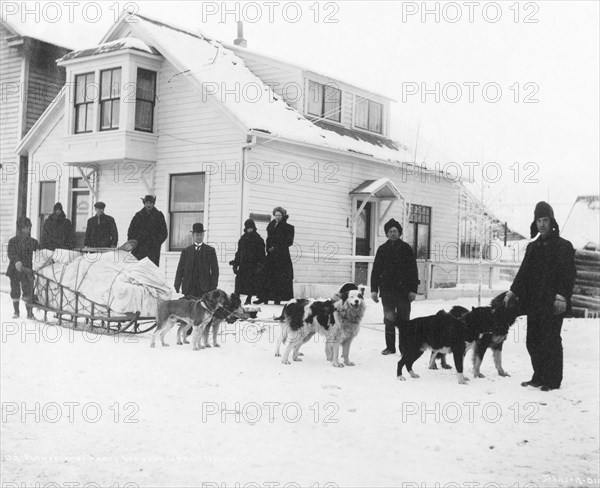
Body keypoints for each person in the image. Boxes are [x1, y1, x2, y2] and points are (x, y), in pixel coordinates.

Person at [504, 201, 576, 392]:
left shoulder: (563, 246)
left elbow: (568, 274)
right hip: (534, 303)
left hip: (553, 303)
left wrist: (562, 297)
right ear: (535, 223)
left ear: (552, 221)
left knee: (550, 340)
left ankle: (552, 380)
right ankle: (538, 376)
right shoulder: (533, 247)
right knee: (533, 341)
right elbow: (523, 272)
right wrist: (513, 291)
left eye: (545, 220)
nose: (542, 224)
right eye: (539, 220)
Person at [370, 218, 419, 355]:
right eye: (390, 231)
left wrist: (413, 290)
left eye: (395, 231)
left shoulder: (406, 249)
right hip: (387, 293)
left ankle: (405, 348)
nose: (393, 233)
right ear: (386, 234)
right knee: (389, 320)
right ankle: (390, 347)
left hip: (403, 293)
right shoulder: (382, 250)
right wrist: (374, 290)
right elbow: (376, 271)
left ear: (399, 233)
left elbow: (413, 271)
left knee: (404, 321)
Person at [255, 206, 295, 305]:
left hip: (282, 256)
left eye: (279, 215)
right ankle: (264, 298)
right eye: (276, 215)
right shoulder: (271, 226)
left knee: (279, 277)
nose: (277, 217)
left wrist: (276, 248)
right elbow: (268, 239)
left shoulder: (288, 227)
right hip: (271, 255)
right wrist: (268, 248)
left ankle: (278, 298)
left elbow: (289, 242)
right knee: (266, 276)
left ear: (283, 216)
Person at [174, 223, 219, 298]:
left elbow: (215, 270)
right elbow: (180, 269)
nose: (199, 237)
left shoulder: (210, 251)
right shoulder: (186, 251)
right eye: (197, 235)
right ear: (193, 235)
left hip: (204, 289)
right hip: (189, 288)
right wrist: (177, 284)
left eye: (201, 235)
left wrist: (213, 287)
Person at [6, 217, 39, 319]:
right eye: (24, 228)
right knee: (15, 290)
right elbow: (11, 253)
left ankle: (29, 312)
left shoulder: (33, 242)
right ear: (20, 229)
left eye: (28, 228)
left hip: (26, 270)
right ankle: (16, 311)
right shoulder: (12, 241)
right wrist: (16, 261)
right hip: (14, 269)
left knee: (28, 290)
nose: (26, 230)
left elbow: (39, 253)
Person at [229, 219, 266, 305]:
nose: (249, 229)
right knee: (238, 281)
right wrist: (235, 264)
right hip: (243, 265)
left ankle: (248, 299)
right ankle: (236, 299)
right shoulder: (242, 239)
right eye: (248, 228)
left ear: (254, 228)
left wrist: (260, 266)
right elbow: (239, 252)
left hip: (253, 265)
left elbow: (262, 254)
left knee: (251, 283)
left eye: (251, 228)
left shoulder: (258, 239)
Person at [127, 195, 168, 266]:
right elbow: (131, 231)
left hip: (153, 249)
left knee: (151, 269)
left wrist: (156, 242)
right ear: (144, 203)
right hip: (139, 248)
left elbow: (164, 232)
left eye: (150, 203)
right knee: (138, 269)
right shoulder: (138, 216)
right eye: (147, 203)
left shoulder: (159, 216)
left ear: (153, 203)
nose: (148, 205)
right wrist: (134, 243)